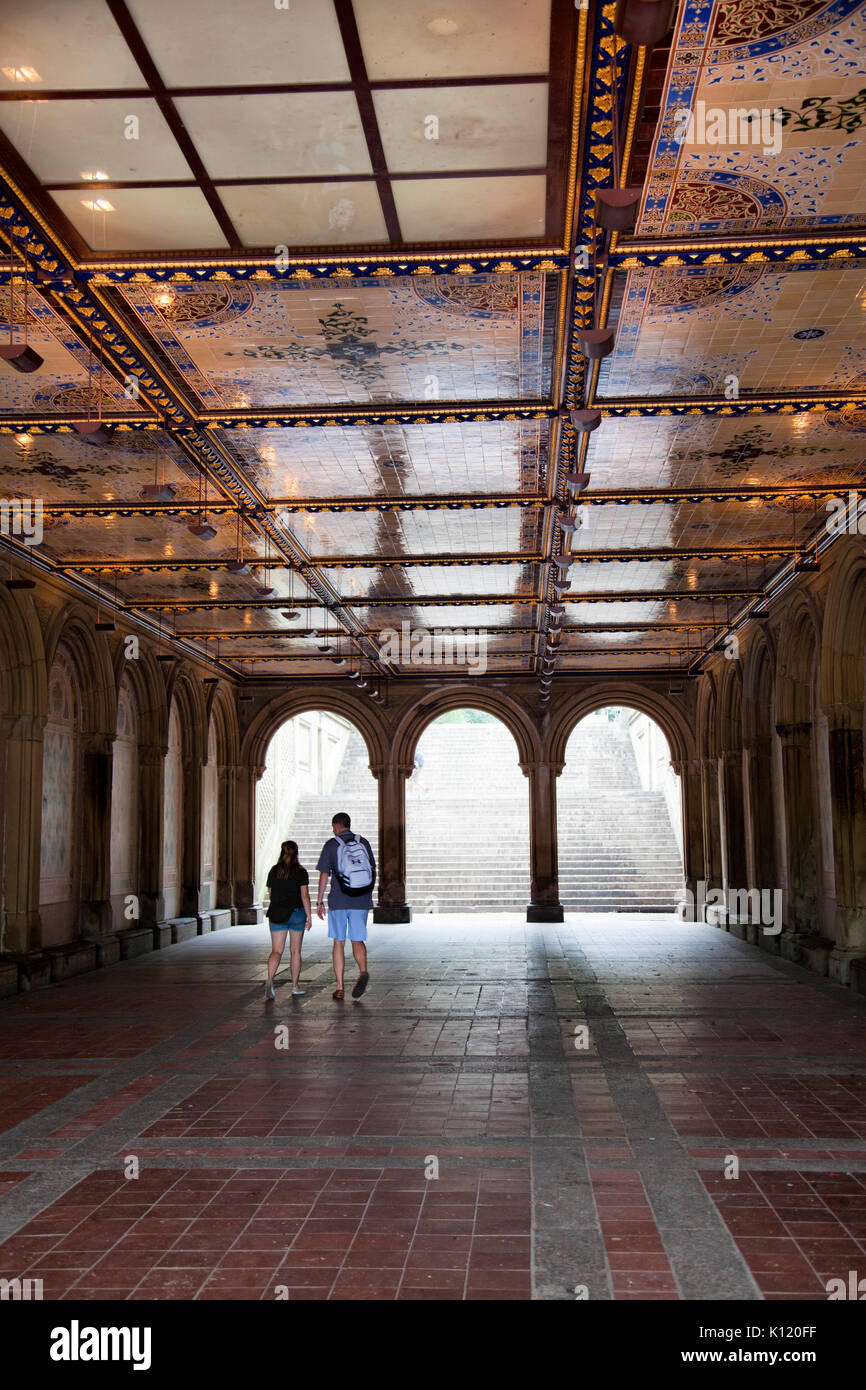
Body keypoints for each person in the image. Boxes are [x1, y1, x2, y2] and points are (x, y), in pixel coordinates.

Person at [316, 812, 375, 1001]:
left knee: (338, 942)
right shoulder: (363, 842)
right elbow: (372, 870)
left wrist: (319, 901)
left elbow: (324, 875)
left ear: (336, 826)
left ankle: (340, 987)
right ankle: (363, 971)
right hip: (360, 899)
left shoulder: (332, 845)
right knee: (357, 940)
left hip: (339, 900)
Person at [263, 840, 311, 1001]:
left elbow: (270, 893)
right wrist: (309, 916)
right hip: (296, 914)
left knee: (276, 950)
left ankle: (270, 979)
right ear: (296, 853)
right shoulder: (300, 872)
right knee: (295, 951)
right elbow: (304, 895)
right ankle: (295, 986)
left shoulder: (274, 871)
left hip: (277, 914)